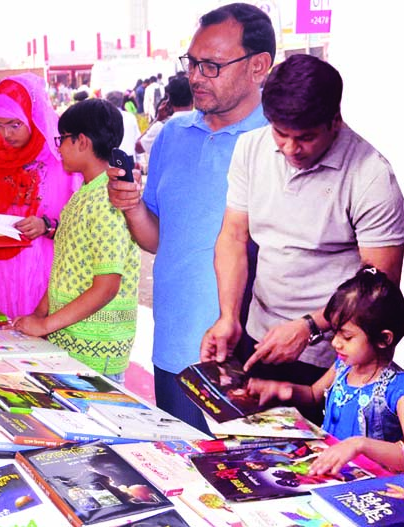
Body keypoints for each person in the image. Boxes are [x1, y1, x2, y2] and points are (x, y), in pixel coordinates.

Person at [200, 54, 404, 422]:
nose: (292, 149)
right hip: (258, 337)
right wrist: (228, 316)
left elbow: (380, 289)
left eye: (306, 138)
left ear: (335, 121)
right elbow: (232, 236)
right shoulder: (250, 149)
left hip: (330, 360)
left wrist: (309, 328)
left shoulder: (371, 176)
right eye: (281, 134)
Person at [107, 2, 275, 431]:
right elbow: (159, 239)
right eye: (192, 63)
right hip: (172, 347)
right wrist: (130, 205)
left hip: (246, 361)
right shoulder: (172, 136)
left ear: (259, 67)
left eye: (211, 66)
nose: (195, 77)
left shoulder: (278, 143)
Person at [14, 99, 140, 381]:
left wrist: (45, 324)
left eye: (62, 139)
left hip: (95, 348)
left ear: (82, 141)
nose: (58, 148)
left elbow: (106, 287)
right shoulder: (86, 193)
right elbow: (66, 266)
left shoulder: (109, 199)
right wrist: (39, 315)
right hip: (71, 339)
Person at [249, 267, 404, 475]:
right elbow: (314, 394)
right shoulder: (343, 366)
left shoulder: (397, 389)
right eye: (334, 332)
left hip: (369, 490)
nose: (336, 343)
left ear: (384, 339)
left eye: (347, 337)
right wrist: (285, 390)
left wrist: (359, 444)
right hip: (329, 473)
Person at [0, 73, 81, 320]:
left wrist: (46, 225)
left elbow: (82, 221)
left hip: (46, 262)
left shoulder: (61, 157)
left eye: (15, 124)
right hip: (2, 264)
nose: (6, 135)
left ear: (33, 116)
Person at [136, 77, 193, 155]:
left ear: (168, 100)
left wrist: (157, 119)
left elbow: (137, 147)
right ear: (193, 97)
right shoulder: (206, 123)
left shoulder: (161, 128)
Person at [104, 90, 141, 157]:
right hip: (128, 157)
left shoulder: (104, 117)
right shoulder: (130, 117)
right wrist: (139, 159)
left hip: (109, 159)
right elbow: (137, 139)